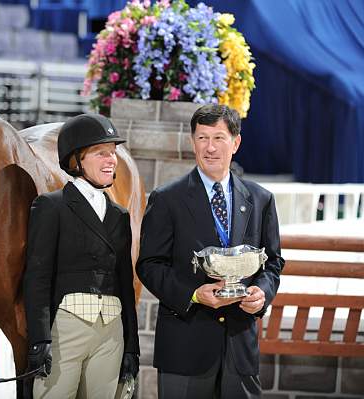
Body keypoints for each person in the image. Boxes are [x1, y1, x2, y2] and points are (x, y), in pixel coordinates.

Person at [137, 104, 284, 398]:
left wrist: (261, 294)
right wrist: (193, 294)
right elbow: (149, 265)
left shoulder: (261, 199)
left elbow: (273, 262)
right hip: (185, 347)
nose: (210, 147)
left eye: (218, 138)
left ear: (236, 143)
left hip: (240, 347)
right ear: (193, 142)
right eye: (202, 138)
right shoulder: (167, 199)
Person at [23, 113, 140, 399]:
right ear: (76, 160)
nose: (112, 160)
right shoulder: (51, 207)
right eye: (101, 153)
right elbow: (37, 276)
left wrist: (132, 347)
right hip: (66, 329)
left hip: (111, 331)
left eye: (113, 153)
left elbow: (126, 282)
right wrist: (39, 339)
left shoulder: (119, 215)